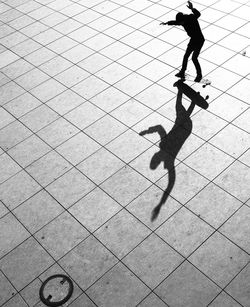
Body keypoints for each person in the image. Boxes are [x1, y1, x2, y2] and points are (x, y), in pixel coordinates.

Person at [160, 1, 205, 82]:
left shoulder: (191, 18)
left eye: (181, 22)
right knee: (186, 56)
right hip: (193, 40)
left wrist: (192, 8)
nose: (181, 24)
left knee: (194, 58)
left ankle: (199, 75)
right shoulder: (182, 21)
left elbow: (198, 14)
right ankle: (182, 72)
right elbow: (176, 22)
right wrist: (167, 23)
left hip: (199, 40)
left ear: (184, 19)